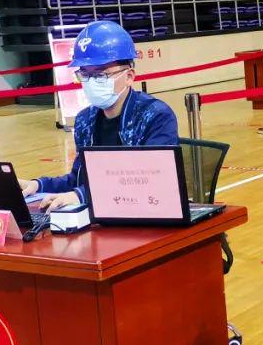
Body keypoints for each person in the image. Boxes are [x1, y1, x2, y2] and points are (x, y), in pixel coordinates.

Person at [20, 21, 179, 211]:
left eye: (101, 74)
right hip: (101, 217)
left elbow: (148, 182)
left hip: (148, 214)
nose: (91, 82)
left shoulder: (156, 116)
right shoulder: (85, 120)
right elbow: (79, 178)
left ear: (129, 76)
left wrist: (81, 196)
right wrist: (39, 185)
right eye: (85, 74)